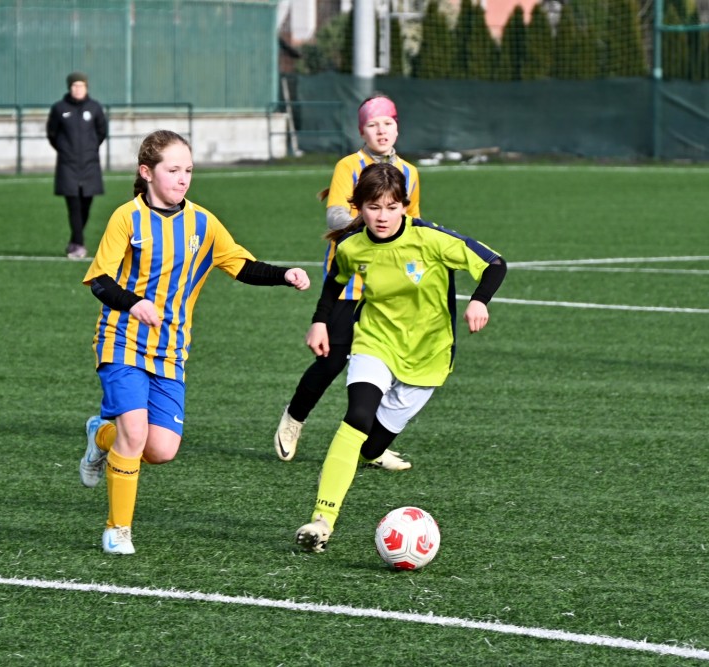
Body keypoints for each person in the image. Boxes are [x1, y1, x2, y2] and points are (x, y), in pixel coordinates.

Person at [78, 129, 311, 555]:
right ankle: (118, 529)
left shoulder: (203, 223)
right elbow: (100, 280)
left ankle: (100, 436)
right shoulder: (126, 218)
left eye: (188, 170)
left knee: (161, 450)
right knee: (135, 432)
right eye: (173, 170)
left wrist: (284, 274)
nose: (183, 178)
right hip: (122, 340)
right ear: (146, 172)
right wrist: (133, 303)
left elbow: (241, 265)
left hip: (170, 349)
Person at [293, 162, 506, 553]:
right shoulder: (352, 246)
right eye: (373, 207)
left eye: (391, 207)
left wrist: (479, 301)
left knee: (370, 447)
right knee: (357, 416)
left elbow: (495, 263)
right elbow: (334, 282)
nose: (382, 216)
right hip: (376, 340)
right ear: (359, 207)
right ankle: (322, 521)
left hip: (428, 355)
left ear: (405, 206)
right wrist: (319, 322)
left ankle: (364, 457)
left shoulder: (431, 239)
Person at [274, 93, 421, 470]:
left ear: (397, 127)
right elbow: (335, 216)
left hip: (387, 287)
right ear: (361, 131)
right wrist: (372, 223)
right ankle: (294, 417)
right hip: (348, 281)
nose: (381, 130)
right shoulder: (349, 166)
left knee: (388, 365)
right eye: (373, 124)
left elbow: (414, 224)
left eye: (387, 123)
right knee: (331, 361)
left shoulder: (409, 172)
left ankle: (373, 444)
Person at [47, 71, 108, 260]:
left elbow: (101, 132)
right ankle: (79, 245)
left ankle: (74, 240)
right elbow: (52, 133)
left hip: (90, 165)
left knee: (86, 206)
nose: (78, 89)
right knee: (73, 205)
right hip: (68, 165)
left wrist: (90, 149)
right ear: (69, 87)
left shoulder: (95, 108)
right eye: (74, 85)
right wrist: (65, 150)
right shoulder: (59, 108)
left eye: (81, 85)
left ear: (86, 87)